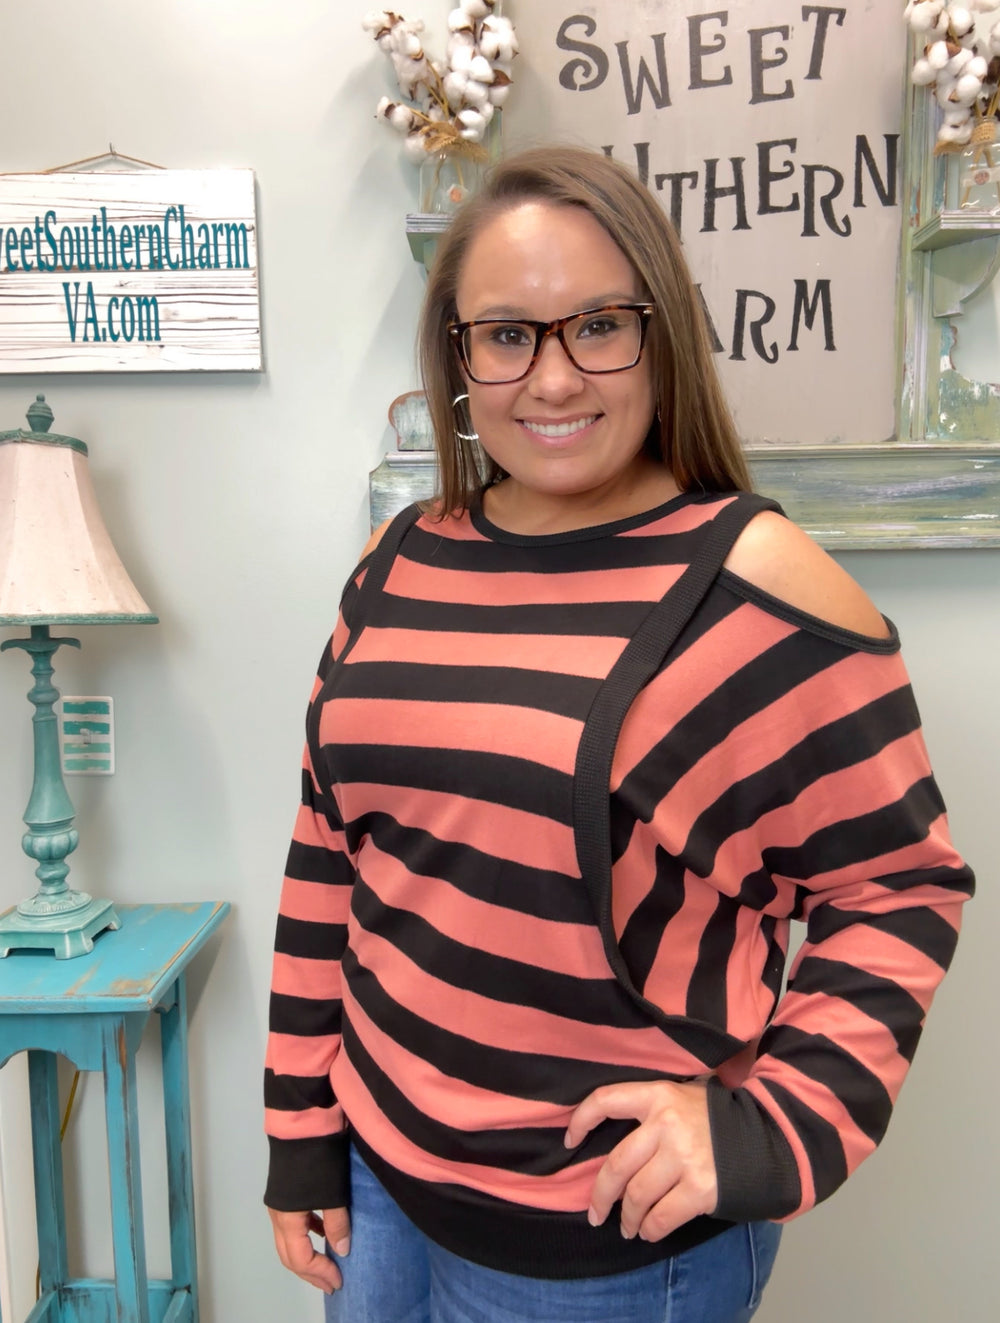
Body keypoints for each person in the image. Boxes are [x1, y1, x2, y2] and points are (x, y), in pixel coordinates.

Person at [264, 146, 973, 1323]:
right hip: (377, 1180)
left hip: (596, 1245)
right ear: (458, 355)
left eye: (598, 325)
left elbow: (900, 887)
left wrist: (771, 1127)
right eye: (506, 335)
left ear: (662, 335)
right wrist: (300, 1129)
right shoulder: (400, 562)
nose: (550, 380)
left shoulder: (754, 586)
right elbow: (330, 859)